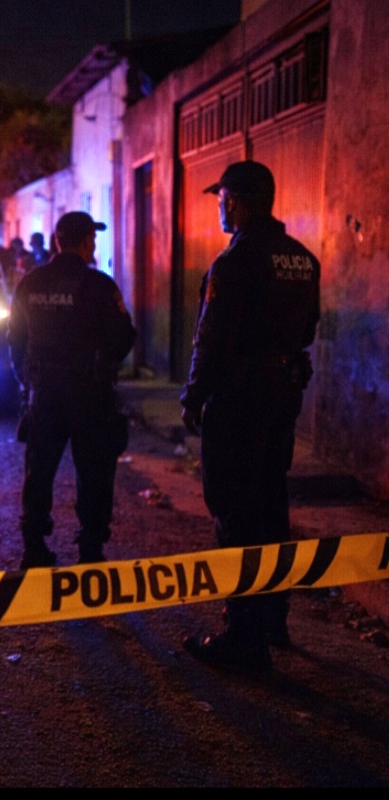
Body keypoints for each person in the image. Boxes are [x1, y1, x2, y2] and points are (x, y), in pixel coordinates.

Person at [180, 161, 320, 672]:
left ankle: (244, 637)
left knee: (235, 511)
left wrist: (193, 395)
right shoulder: (302, 259)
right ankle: (274, 618)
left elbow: (211, 337)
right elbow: (308, 330)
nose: (220, 207)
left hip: (239, 398)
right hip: (282, 393)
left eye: (221, 199)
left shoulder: (234, 261)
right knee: (270, 503)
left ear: (235, 201)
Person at [8, 211, 136, 568]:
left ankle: (34, 546)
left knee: (39, 470)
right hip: (89, 393)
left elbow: (15, 339)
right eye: (92, 239)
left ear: (56, 242)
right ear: (85, 243)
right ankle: (90, 548)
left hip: (44, 391)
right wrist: (103, 366)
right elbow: (124, 336)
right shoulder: (99, 285)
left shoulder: (30, 283)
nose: (93, 245)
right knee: (94, 471)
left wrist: (27, 382)